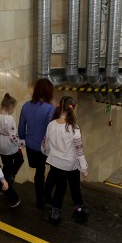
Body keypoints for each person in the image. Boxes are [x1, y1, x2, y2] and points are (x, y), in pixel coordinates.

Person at [42, 96, 89, 224]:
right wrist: (83, 169)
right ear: (73, 108)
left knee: (60, 189)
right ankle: (79, 211)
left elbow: (45, 144)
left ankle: (55, 215)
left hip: (55, 164)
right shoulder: (74, 128)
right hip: (70, 165)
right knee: (75, 189)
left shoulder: (51, 124)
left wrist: (47, 154)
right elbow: (79, 151)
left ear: (60, 106)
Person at [18, 78, 55, 209]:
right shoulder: (50, 109)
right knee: (48, 170)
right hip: (44, 147)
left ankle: (41, 200)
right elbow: (51, 130)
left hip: (31, 145)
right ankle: (46, 198)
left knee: (39, 171)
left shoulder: (26, 106)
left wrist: (22, 138)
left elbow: (21, 126)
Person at [0, 93, 24, 194]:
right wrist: (22, 143)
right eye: (13, 107)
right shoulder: (9, 119)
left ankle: (3, 185)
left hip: (1, 145)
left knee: (6, 165)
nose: (13, 110)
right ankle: (7, 182)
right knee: (19, 160)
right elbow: (14, 137)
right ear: (9, 106)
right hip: (10, 146)